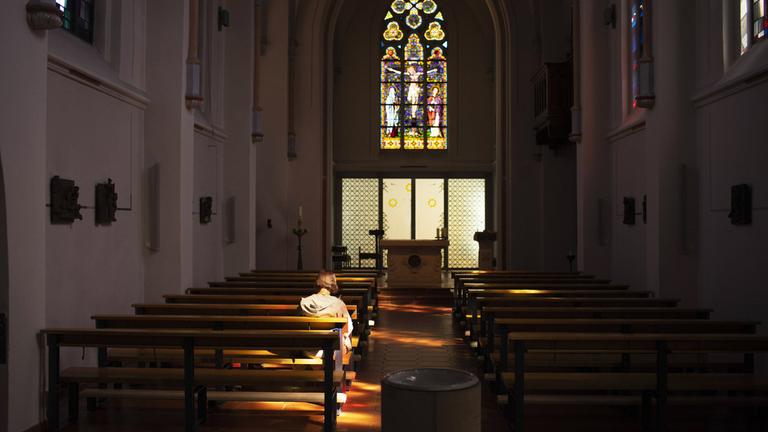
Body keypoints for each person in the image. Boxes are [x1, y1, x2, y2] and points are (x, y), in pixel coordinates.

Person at [298, 271, 354, 355]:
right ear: (333, 283)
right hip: (333, 349)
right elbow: (348, 329)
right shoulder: (338, 304)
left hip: (308, 349)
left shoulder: (305, 302)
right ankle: (340, 367)